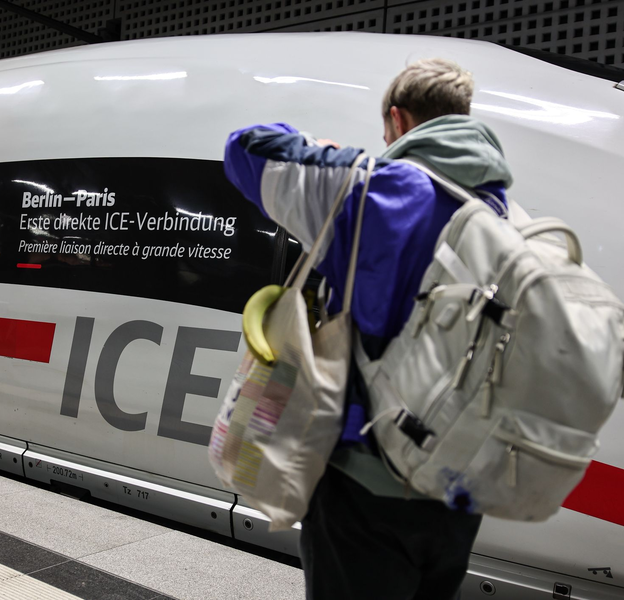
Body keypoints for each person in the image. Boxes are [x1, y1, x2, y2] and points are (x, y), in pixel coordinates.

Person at [223, 58, 514, 600]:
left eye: (386, 132)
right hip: (458, 496)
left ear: (399, 121)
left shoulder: (373, 192)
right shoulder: (504, 218)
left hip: (365, 485)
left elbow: (246, 148)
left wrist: (328, 153)